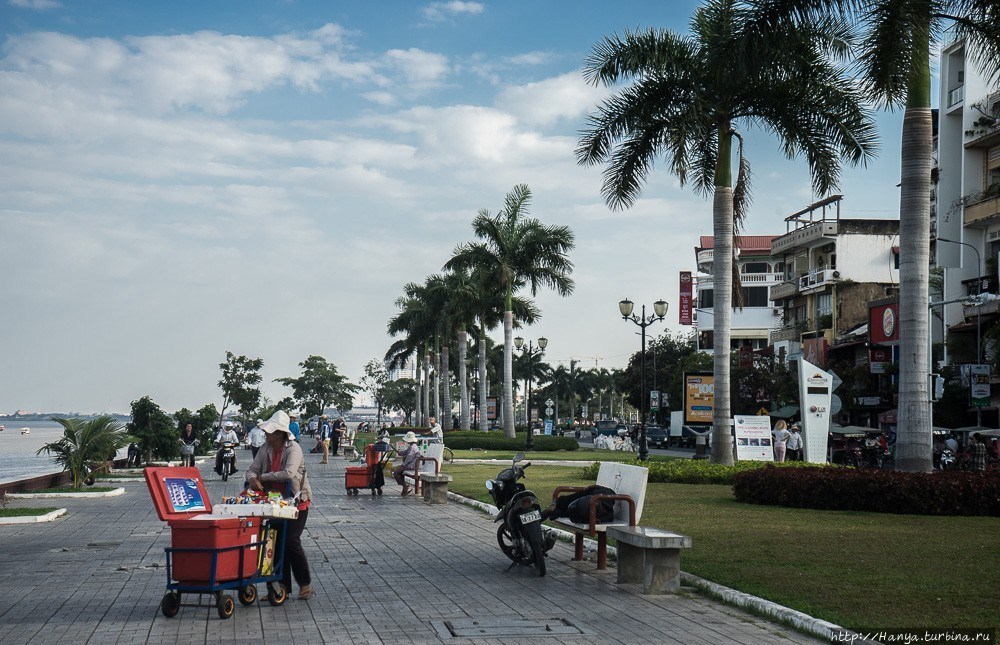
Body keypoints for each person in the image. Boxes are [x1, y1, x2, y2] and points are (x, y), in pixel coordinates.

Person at [246, 411, 314, 600]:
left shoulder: (294, 448)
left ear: (278, 433)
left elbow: (289, 473)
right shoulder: (265, 448)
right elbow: (252, 469)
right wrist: (252, 478)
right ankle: (277, 587)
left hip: (296, 502)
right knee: (273, 542)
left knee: (291, 541)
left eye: (269, 432)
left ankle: (305, 583)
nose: (266, 435)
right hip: (274, 503)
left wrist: (262, 477)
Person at [392, 431, 421, 496]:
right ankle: (404, 486)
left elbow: (409, 458)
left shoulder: (413, 447)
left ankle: (404, 486)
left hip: (412, 465)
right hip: (411, 465)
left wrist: (402, 465)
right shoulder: (412, 446)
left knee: (396, 472)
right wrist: (399, 452)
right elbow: (405, 453)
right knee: (399, 472)